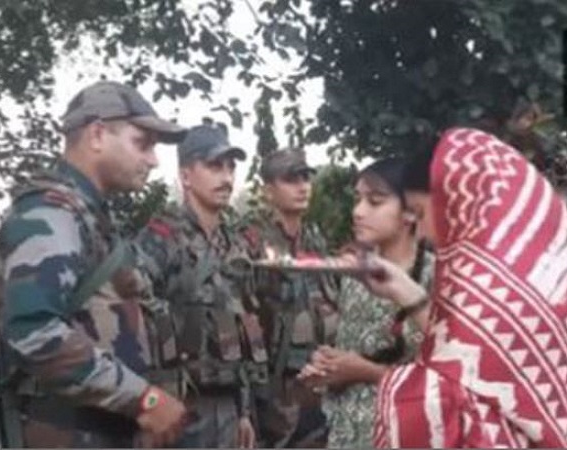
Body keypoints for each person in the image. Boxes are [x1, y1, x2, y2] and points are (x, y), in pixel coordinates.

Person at [0, 80, 189, 448]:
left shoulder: (90, 217)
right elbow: (35, 333)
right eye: (142, 143)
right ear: (97, 134)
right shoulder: (50, 213)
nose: (153, 160)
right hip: (64, 431)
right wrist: (144, 399)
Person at [354, 128, 567, 447]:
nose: (422, 230)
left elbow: (458, 382)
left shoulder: (495, 287)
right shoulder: (543, 267)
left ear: (460, 200)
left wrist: (396, 389)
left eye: (423, 213)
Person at [134, 124, 266, 448]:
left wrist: (243, 411)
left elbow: (243, 326)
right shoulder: (161, 238)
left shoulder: (235, 244)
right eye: (214, 166)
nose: (226, 177)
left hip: (227, 405)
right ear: (186, 176)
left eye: (231, 167)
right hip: (178, 405)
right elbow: (135, 319)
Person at [298, 157, 434, 448]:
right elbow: (350, 353)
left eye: (375, 201)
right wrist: (327, 369)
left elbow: (452, 379)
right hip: (346, 433)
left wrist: (365, 371)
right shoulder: (354, 278)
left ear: (410, 211)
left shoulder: (439, 277)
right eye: (357, 199)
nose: (358, 212)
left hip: (406, 433)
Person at [237, 148, 337, 448]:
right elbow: (240, 323)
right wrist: (245, 402)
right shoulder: (251, 243)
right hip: (275, 391)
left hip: (319, 383)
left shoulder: (315, 239)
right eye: (291, 179)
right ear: (269, 190)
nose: (303, 186)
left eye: (306, 177)